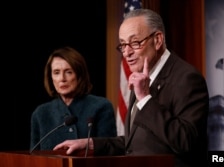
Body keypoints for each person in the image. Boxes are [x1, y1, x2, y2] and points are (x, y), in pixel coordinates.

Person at [53, 9, 209, 167]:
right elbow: (134, 143)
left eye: (135, 43)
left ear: (157, 40)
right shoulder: (141, 78)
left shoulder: (187, 78)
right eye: (123, 45)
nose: (127, 53)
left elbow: (186, 141)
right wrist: (91, 144)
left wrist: (146, 99)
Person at [30, 46, 117, 151]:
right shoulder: (41, 113)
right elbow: (34, 157)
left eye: (68, 72)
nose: (62, 78)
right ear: (50, 77)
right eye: (56, 72)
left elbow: (110, 153)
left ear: (79, 75)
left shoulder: (101, 106)